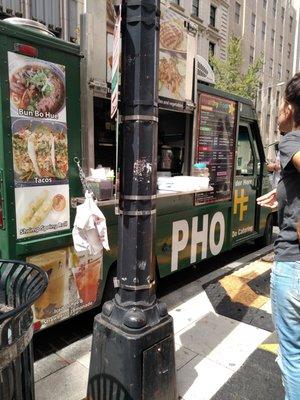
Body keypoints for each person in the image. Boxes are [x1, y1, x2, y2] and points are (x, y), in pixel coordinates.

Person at [257, 72, 300, 400]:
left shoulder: (291, 140)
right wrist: (282, 195)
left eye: (284, 103)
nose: (280, 110)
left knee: (293, 356)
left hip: (293, 264)